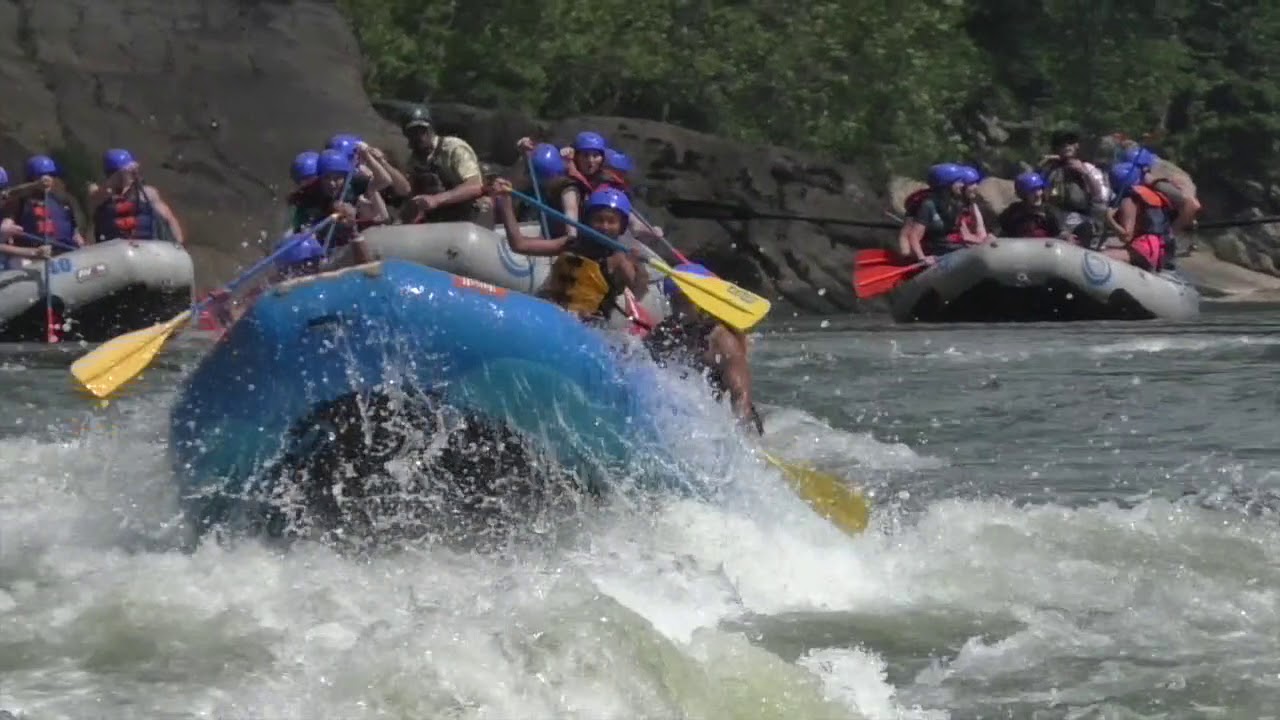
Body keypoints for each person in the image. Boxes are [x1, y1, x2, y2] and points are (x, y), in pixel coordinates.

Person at [488, 177, 648, 322]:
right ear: (588, 221)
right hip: (548, 311)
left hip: (586, 326)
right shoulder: (571, 243)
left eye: (611, 221)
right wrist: (506, 205)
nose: (604, 227)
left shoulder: (619, 259)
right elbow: (519, 245)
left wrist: (638, 266)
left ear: (622, 227)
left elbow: (638, 293)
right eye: (598, 220)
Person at [644, 262, 762, 434]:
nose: (678, 309)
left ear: (701, 302)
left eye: (683, 301)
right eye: (674, 301)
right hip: (688, 421)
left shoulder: (722, 341)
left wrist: (741, 436)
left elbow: (740, 395)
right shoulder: (666, 333)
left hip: (729, 423)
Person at [392, 105, 485, 224]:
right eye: (413, 132)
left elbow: (475, 186)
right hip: (440, 220)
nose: (419, 136)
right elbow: (412, 195)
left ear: (431, 129)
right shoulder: (414, 161)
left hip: (470, 217)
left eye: (423, 130)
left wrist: (436, 200)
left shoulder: (454, 148)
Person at [1117, 146, 1200, 267]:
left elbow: (1193, 205)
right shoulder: (1156, 172)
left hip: (1167, 232)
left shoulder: (1158, 178)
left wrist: (1170, 234)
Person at [286, 149, 371, 265]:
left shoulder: (354, 185)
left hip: (346, 234)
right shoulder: (307, 198)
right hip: (322, 234)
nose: (332, 184)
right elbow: (304, 228)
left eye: (337, 178)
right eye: (327, 178)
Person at [89, 148, 186, 246]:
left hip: (145, 248)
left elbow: (169, 219)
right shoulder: (100, 194)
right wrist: (116, 178)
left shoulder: (147, 193)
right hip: (114, 250)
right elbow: (94, 200)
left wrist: (179, 243)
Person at [0, 155, 87, 261]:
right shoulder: (19, 201)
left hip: (65, 251)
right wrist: (35, 185)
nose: (47, 179)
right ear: (31, 178)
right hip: (35, 255)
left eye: (50, 175)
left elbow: (74, 231)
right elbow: (7, 194)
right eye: (41, 175)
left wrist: (78, 239)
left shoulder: (63, 199)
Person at [1038, 130, 1109, 248]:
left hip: (1081, 219)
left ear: (1076, 146)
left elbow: (1100, 195)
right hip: (1055, 220)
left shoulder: (1087, 168)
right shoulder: (1050, 169)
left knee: (1086, 229)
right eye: (1061, 143)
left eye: (1070, 142)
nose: (1066, 146)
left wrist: (1084, 173)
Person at [1102, 161, 1175, 272]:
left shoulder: (1129, 200)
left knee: (1102, 256)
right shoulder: (1152, 195)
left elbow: (1126, 236)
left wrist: (1109, 219)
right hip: (1157, 248)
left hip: (1143, 248)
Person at [898, 163, 972, 264]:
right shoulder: (928, 205)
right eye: (958, 181)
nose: (963, 185)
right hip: (934, 251)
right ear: (946, 184)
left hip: (950, 248)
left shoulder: (956, 204)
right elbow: (914, 236)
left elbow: (964, 234)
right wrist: (922, 258)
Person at [997, 172, 1068, 239]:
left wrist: (1065, 236)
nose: (1037, 195)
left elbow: (1061, 233)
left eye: (1039, 189)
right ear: (1022, 194)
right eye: (1032, 191)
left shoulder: (1050, 212)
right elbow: (998, 229)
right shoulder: (1013, 211)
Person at [956, 165, 991, 242]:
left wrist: (986, 237)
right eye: (971, 183)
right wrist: (981, 240)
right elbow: (965, 236)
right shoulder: (955, 206)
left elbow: (980, 230)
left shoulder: (972, 204)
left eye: (976, 183)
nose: (976, 187)